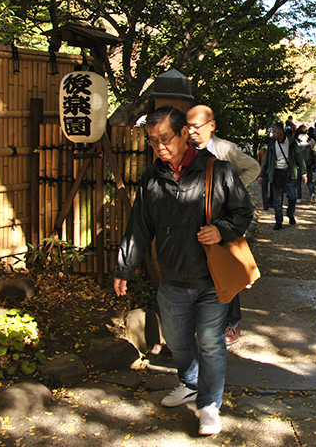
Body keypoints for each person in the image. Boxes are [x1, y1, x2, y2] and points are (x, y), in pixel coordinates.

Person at [114, 106, 254, 436]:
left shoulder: (216, 170)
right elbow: (139, 227)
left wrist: (221, 229)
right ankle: (189, 383)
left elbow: (243, 211)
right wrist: (125, 266)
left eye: (165, 138)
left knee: (210, 342)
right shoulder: (152, 178)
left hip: (210, 279)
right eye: (153, 141)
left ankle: (208, 405)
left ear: (182, 135)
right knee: (177, 340)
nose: (159, 146)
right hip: (173, 277)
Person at [186, 104, 259, 345]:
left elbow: (253, 167)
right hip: (197, 222)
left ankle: (231, 322)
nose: (192, 131)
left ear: (211, 126)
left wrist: (233, 189)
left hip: (225, 220)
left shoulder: (225, 149)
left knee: (226, 268)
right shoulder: (184, 151)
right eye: (188, 127)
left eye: (196, 127)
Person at [258, 121, 306, 230]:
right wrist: (261, 175)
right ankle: (278, 221)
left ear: (281, 131)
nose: (273, 134)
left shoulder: (291, 142)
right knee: (277, 198)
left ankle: (290, 214)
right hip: (276, 173)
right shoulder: (271, 144)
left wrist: (304, 173)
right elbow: (266, 160)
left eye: (275, 131)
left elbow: (299, 157)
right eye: (272, 132)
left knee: (292, 197)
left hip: (289, 172)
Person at [296, 124, 316, 204]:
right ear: (307, 131)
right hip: (308, 164)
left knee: (298, 181)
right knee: (310, 181)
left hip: (298, 165)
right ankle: (312, 194)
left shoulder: (296, 141)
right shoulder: (311, 141)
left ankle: (299, 198)